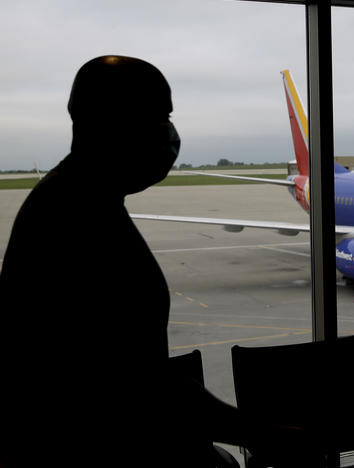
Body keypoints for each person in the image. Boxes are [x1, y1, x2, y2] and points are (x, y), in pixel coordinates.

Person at [0, 55, 250, 467]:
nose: (168, 133)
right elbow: (133, 386)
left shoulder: (85, 201)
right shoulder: (72, 218)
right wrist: (257, 431)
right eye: (159, 116)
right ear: (111, 120)